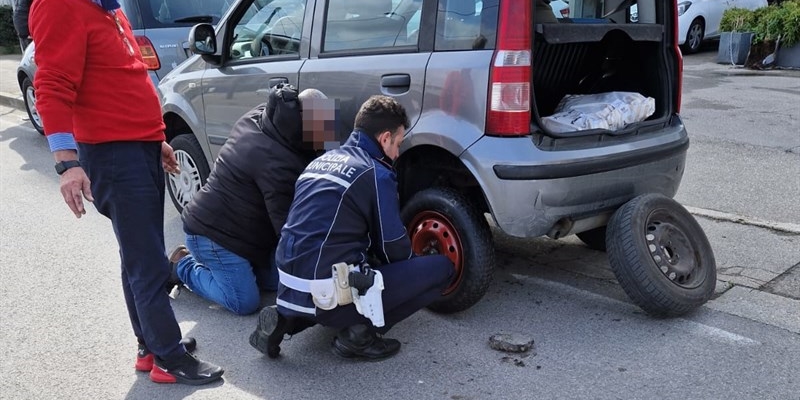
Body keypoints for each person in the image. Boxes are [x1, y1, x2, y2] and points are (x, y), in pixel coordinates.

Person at [29, 0, 223, 385]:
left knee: (138, 253)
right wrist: (67, 163)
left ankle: (151, 344)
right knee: (147, 258)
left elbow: (123, 78)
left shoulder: (106, 7)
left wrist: (157, 140)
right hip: (113, 153)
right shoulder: (60, 4)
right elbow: (52, 83)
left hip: (137, 146)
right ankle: (169, 357)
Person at [249, 95, 455, 361]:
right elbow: (393, 249)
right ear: (384, 139)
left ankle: (286, 319)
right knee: (441, 269)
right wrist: (412, 267)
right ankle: (359, 333)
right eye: (398, 143)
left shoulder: (319, 162)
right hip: (328, 292)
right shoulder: (375, 173)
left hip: (286, 282)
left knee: (336, 263)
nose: (397, 153)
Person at [170, 84, 329, 316]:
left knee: (280, 281)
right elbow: (288, 227)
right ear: (302, 127)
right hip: (212, 236)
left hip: (242, 233)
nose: (326, 138)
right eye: (321, 131)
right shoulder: (277, 164)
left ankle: (232, 271)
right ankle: (181, 266)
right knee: (244, 301)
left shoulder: (263, 116)